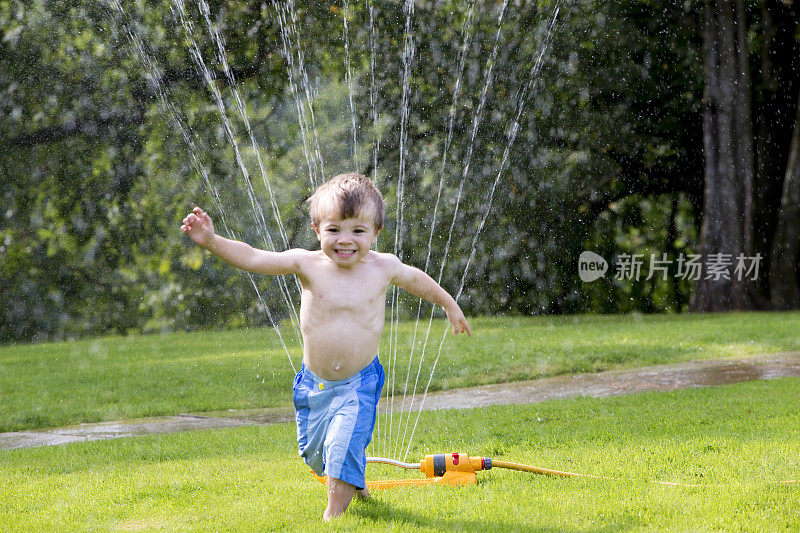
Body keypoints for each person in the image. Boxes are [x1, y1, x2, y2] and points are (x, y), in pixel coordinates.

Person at [181, 172, 471, 520]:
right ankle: (354, 476)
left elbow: (418, 281)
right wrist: (211, 241)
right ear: (317, 230)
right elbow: (255, 258)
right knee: (316, 454)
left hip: (359, 383)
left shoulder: (383, 267)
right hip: (313, 385)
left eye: (358, 232)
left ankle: (333, 515)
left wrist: (448, 304)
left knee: (342, 444)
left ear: (375, 233)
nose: (344, 241)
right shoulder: (308, 264)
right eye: (334, 230)